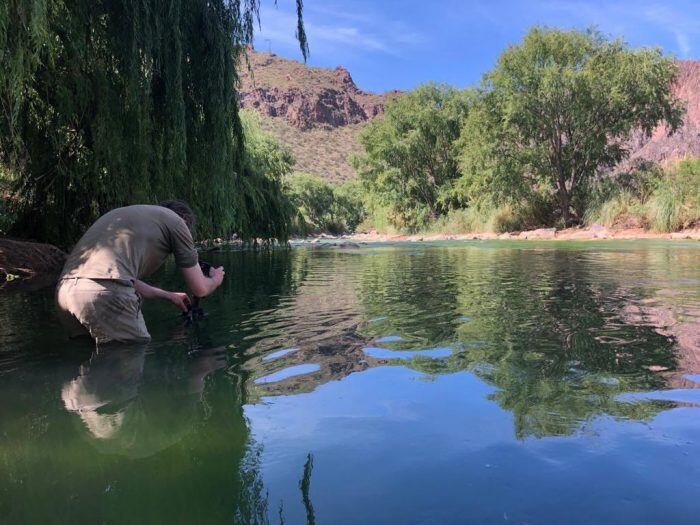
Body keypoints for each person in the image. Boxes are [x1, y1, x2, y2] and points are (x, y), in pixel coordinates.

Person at [56, 200, 225, 343]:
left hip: (65, 293)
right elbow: (200, 288)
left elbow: (117, 278)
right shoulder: (177, 222)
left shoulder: (135, 217)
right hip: (103, 294)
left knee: (87, 363)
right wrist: (216, 279)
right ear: (185, 221)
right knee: (133, 356)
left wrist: (168, 295)